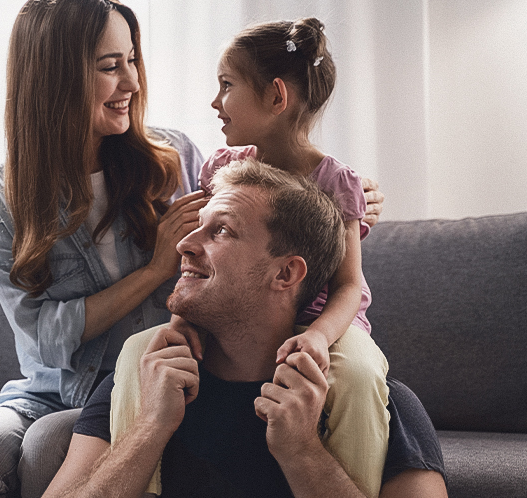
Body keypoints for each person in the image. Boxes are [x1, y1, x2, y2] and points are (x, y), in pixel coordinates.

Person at [0, 1, 386, 497]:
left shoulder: (173, 160)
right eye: (111, 67)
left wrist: (337, 203)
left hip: (170, 365)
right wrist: (155, 271)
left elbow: (259, 210)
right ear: (56, 78)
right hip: (57, 387)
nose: (132, 81)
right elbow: (44, 338)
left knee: (49, 444)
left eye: (132, 60)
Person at [44, 158, 447, 498]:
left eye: (221, 230)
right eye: (198, 225)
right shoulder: (146, 376)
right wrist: (149, 429)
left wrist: (303, 454)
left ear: (286, 273)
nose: (183, 244)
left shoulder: (379, 401)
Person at [164, 18, 388, 497]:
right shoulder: (224, 167)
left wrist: (318, 338)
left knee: (360, 373)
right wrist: (190, 317)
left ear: (276, 97)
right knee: (143, 353)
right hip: (242, 314)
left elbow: (350, 285)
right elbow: (206, 254)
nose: (214, 101)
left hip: (322, 321)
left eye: (226, 85)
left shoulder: (336, 182)